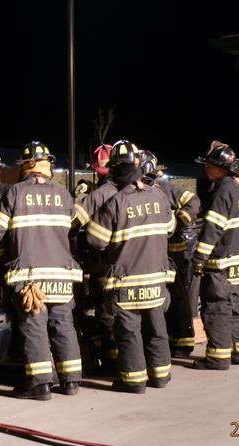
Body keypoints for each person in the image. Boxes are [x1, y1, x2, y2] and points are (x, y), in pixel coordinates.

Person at [0, 140, 83, 401]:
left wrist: (3, 258)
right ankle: (71, 381)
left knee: (34, 327)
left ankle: (40, 385)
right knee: (64, 325)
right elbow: (73, 232)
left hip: (30, 277)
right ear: (47, 166)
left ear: (26, 167)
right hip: (62, 275)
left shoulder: (15, 193)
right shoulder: (65, 196)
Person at [86, 140, 175, 393]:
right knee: (157, 329)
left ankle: (134, 381)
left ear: (114, 169)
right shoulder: (158, 195)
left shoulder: (116, 202)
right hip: (156, 280)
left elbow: (96, 240)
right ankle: (160, 376)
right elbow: (170, 228)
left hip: (127, 282)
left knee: (129, 333)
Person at [192, 141, 239, 370]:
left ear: (221, 168)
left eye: (209, 166)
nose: (206, 169)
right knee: (236, 307)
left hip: (222, 264)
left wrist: (199, 260)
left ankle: (218, 357)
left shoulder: (223, 191)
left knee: (217, 308)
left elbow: (213, 230)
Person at [140, 150, 201, 356]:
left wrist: (177, 222)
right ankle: (173, 339)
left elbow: (193, 202)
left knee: (177, 293)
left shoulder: (165, 188)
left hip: (176, 249)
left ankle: (183, 342)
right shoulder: (146, 190)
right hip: (161, 249)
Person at [71, 143, 119, 366]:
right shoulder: (143, 191)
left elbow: (75, 220)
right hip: (134, 265)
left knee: (107, 315)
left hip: (104, 264)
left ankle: (111, 363)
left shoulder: (103, 193)